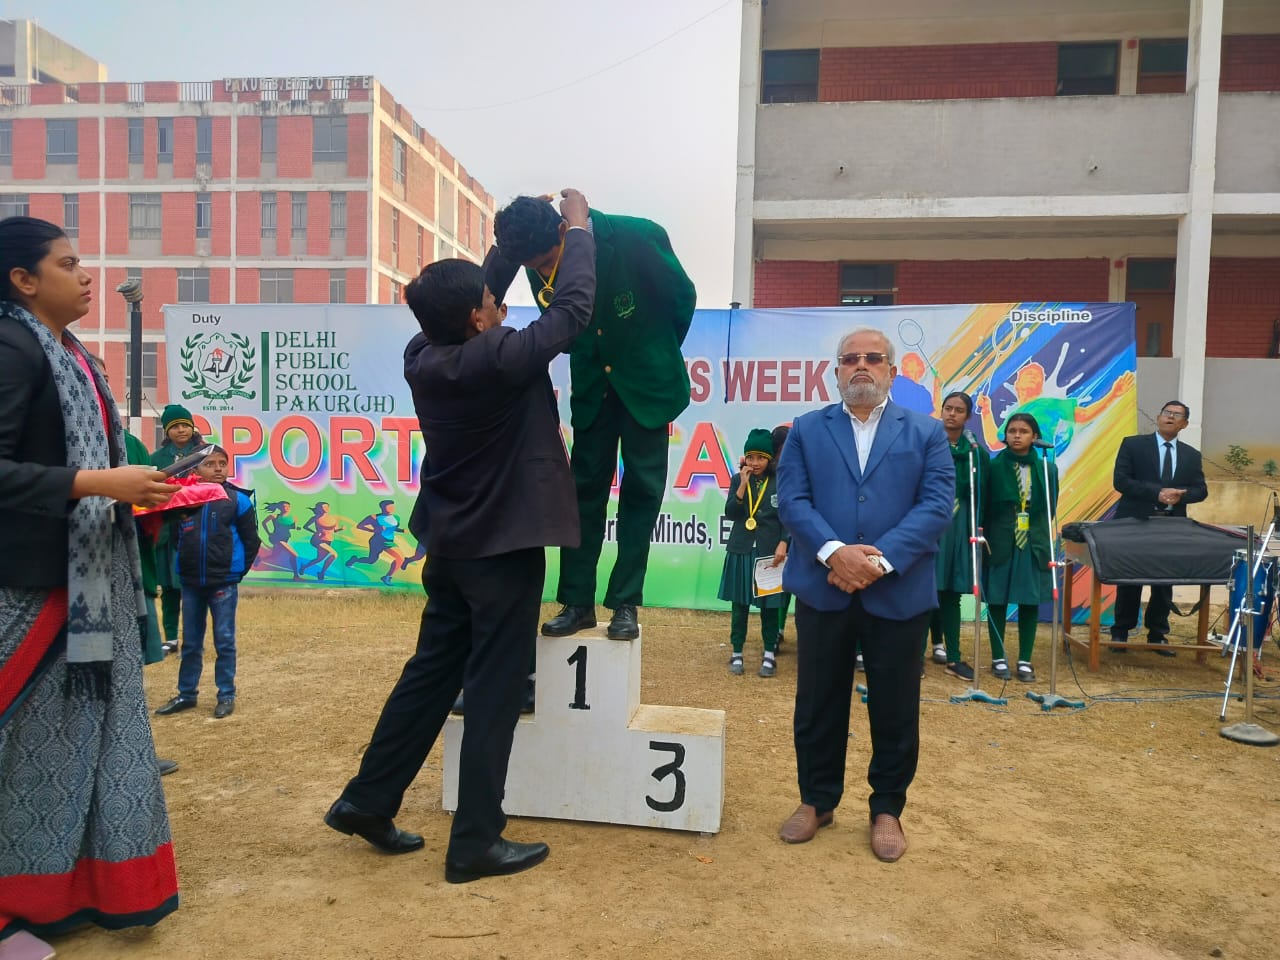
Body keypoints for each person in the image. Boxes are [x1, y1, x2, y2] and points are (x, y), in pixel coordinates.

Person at [324, 188, 595, 884]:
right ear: (478, 318)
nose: (498, 303)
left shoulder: (423, 352)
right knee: (495, 690)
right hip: (500, 553)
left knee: (431, 673)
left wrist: (505, 250)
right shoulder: (499, 357)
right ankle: (475, 841)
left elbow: (476, 298)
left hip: (449, 546)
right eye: (489, 300)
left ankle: (367, 800)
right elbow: (571, 312)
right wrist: (577, 230)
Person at [0, 216, 181, 947]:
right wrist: (98, 483)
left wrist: (134, 490)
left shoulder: (73, 354)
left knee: (76, 745)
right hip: (31, 586)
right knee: (24, 743)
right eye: (68, 263)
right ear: (22, 279)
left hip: (86, 581)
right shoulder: (13, 348)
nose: (86, 275)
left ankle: (57, 893)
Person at [776, 326, 952, 864]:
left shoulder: (927, 432)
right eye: (850, 358)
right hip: (823, 589)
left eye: (873, 358)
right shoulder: (807, 430)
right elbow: (792, 500)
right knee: (817, 702)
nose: (861, 365)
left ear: (892, 372)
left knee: (896, 707)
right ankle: (817, 801)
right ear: (835, 371)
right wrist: (835, 553)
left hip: (897, 591)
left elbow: (936, 505)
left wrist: (874, 562)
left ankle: (887, 809)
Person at [486, 195, 695, 641]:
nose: (544, 272)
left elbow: (683, 299)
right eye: (535, 268)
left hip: (647, 387)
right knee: (582, 494)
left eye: (547, 262)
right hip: (592, 390)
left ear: (565, 231)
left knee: (642, 495)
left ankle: (626, 603)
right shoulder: (534, 249)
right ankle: (577, 602)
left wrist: (652, 351)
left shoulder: (639, 235)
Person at [154, 446, 260, 720]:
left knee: (224, 641)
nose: (217, 468)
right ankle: (186, 694)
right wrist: (187, 565)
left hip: (223, 582)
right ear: (196, 469)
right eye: (210, 464)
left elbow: (252, 541)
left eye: (222, 463)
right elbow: (176, 537)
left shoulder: (237, 500)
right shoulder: (184, 499)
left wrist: (236, 572)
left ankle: (226, 695)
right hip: (191, 583)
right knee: (191, 642)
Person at [1110, 401, 1208, 656]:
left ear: (1184, 424)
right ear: (1158, 416)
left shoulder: (1191, 455)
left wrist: (1181, 494)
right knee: (1130, 578)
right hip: (1135, 521)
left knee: (1164, 580)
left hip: (1171, 525)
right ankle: (1121, 632)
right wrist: (1157, 492)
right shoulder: (1133, 445)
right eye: (1166, 413)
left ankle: (1157, 634)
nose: (1170, 417)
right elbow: (1121, 481)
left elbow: (1201, 490)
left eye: (1176, 415)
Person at [982, 412, 1058, 682]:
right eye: (1012, 431)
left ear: (1034, 436)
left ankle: (1025, 660)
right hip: (1001, 540)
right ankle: (998, 657)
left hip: (1032, 542)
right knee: (997, 599)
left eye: (1023, 431)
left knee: (1029, 599)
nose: (1017, 436)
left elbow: (1050, 507)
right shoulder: (994, 466)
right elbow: (985, 506)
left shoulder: (1047, 468)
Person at [927, 392, 988, 681]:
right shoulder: (927, 444)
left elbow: (983, 495)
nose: (951, 414)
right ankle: (914, 658)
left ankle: (953, 657)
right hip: (929, 526)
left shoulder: (975, 452)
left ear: (968, 416)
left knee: (951, 592)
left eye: (959, 410)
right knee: (924, 590)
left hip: (960, 527)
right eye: (948, 408)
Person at [719, 428, 787, 678]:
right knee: (740, 605)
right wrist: (742, 486)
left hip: (770, 553)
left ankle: (769, 654)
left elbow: (787, 517)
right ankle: (737, 652)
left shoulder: (779, 481)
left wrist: (784, 543)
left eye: (760, 458)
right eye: (751, 457)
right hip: (741, 549)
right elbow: (731, 513)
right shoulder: (738, 480)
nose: (755, 463)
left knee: (770, 606)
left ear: (769, 458)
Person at [150, 403, 205, 653]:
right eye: (175, 426)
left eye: (185, 425)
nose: (181, 430)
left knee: (192, 589)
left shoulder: (205, 454)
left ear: (192, 427)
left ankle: (193, 639)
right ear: (167, 431)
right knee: (169, 587)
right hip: (166, 530)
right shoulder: (157, 459)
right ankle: (170, 638)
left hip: (197, 526)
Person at [347, 499, 405, 585]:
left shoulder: (396, 517)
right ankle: (354, 560)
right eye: (389, 507)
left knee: (400, 558)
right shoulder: (374, 517)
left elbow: (393, 528)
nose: (392, 508)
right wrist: (373, 530)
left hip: (389, 541)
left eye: (393, 506)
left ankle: (387, 577)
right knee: (371, 560)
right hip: (377, 541)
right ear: (382, 508)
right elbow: (360, 526)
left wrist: (402, 530)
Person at [298, 501, 343, 581]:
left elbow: (334, 530)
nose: (325, 508)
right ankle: (322, 573)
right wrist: (314, 532)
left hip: (328, 540)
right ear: (318, 509)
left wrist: (341, 529)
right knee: (334, 554)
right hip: (317, 540)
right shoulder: (315, 518)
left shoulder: (333, 518)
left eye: (326, 507)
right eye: (322, 507)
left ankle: (304, 567)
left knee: (319, 559)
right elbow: (305, 526)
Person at [262, 500, 301, 580]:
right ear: (279, 508)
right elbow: (264, 523)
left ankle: (259, 559)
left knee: (274, 555)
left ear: (290, 508)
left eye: (287, 506)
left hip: (285, 538)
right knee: (294, 555)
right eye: (283, 506)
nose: (286, 508)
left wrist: (297, 528)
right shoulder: (274, 516)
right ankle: (296, 576)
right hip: (277, 538)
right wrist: (268, 533)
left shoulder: (294, 518)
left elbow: (292, 527)